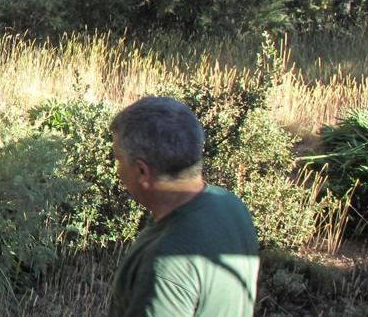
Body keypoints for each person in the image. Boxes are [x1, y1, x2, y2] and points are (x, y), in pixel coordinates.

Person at [108, 96, 259, 317]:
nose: (118, 171)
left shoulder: (166, 264)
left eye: (119, 160)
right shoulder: (231, 206)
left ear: (142, 171)